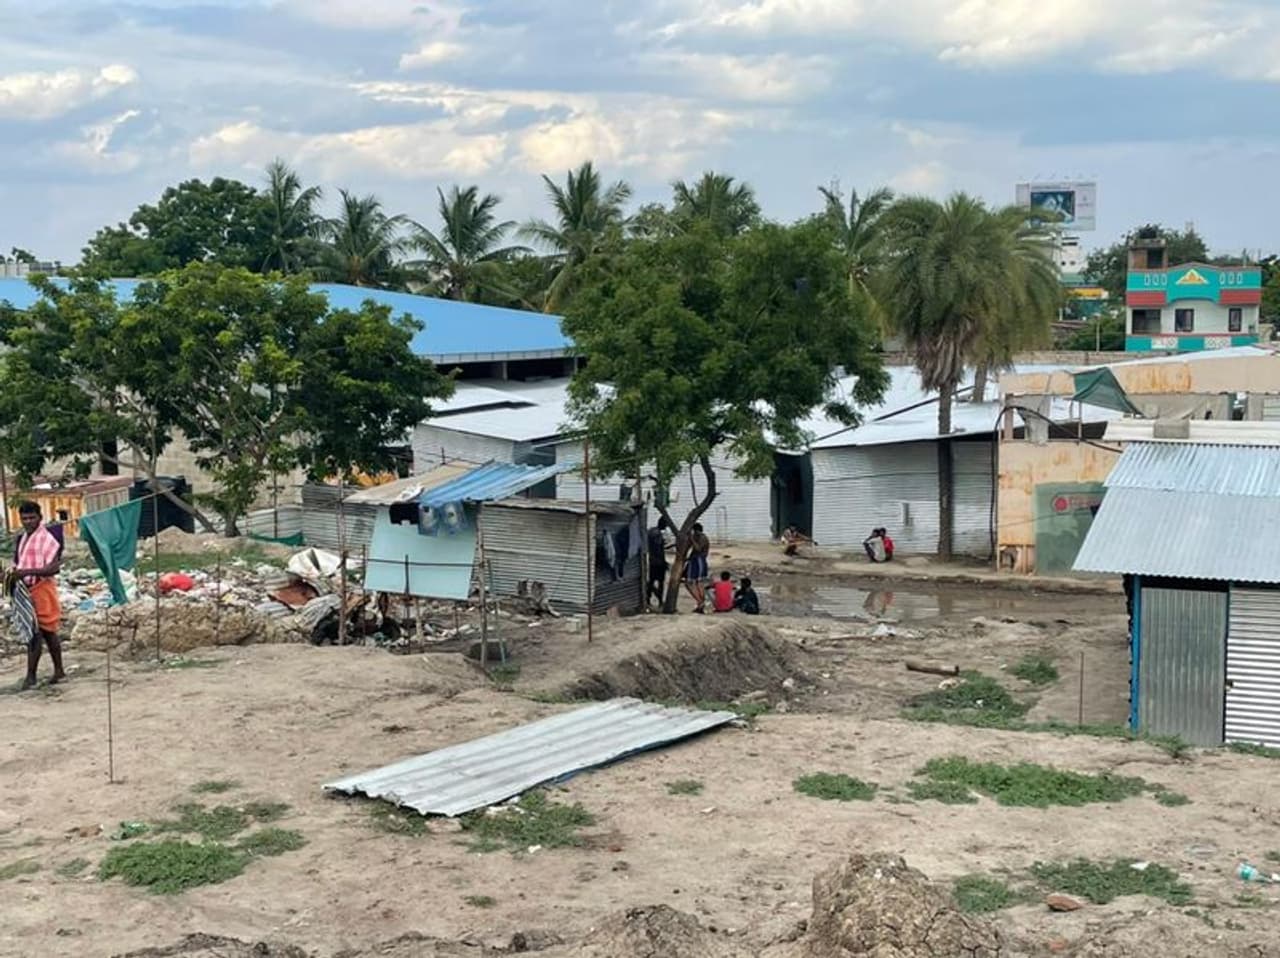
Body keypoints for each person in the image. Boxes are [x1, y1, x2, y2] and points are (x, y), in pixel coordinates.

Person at [14, 501, 66, 690]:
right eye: (24, 518)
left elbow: (53, 568)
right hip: (27, 590)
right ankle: (58, 671)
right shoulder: (22, 539)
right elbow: (20, 564)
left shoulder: (47, 538)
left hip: (42, 587)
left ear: (40, 518)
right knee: (45, 632)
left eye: (32, 518)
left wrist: (26, 572)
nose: (28, 522)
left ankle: (31, 677)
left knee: (38, 633)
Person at [683, 522, 710, 613]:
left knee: (690, 583)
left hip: (698, 561)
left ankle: (700, 602)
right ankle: (700, 604)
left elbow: (698, 549)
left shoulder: (702, 538)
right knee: (699, 583)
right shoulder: (698, 537)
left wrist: (691, 538)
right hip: (697, 561)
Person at [646, 517, 672, 609]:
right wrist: (664, 562)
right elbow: (658, 550)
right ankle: (659, 600)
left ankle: (648, 599)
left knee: (652, 581)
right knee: (660, 582)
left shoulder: (651, 531)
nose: (666, 527)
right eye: (666, 525)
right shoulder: (657, 534)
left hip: (652, 560)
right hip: (658, 562)